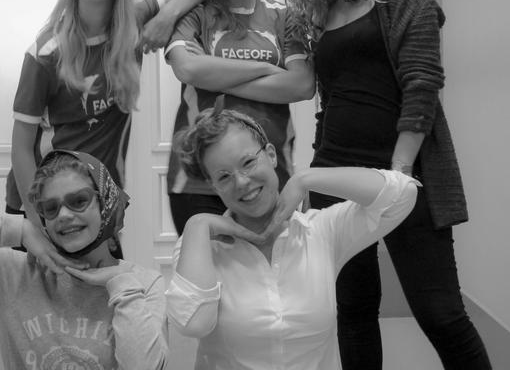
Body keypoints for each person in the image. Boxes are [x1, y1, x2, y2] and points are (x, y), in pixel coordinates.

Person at [280, 0, 492, 369]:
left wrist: (400, 171)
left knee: (440, 313)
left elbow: (423, 80)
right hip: (336, 173)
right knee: (353, 312)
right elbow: (330, 97)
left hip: (401, 171)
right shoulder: (321, 6)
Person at [7, 0, 201, 269]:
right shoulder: (46, 52)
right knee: (40, 301)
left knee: (105, 297)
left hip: (96, 202)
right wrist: (38, 220)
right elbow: (21, 147)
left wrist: (165, 19)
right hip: (43, 202)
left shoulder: (131, 29)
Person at [164, 104, 418, 370]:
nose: (241, 182)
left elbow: (403, 194)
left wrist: (305, 179)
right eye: (224, 177)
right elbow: (194, 323)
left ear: (271, 155)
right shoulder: (200, 246)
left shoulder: (320, 231)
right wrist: (197, 223)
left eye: (248, 162)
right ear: (213, 186)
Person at [0, 150, 168, 370]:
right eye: (50, 208)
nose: (63, 215)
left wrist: (122, 285)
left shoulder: (143, 284)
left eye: (79, 201)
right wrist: (16, 228)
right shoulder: (15, 274)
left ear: (106, 204)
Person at [163, 0, 314, 235]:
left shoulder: (283, 16)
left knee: (271, 265)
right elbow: (188, 69)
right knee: (206, 266)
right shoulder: (193, 16)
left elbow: (302, 85)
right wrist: (264, 68)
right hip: (198, 180)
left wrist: (215, 77)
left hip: (269, 173)